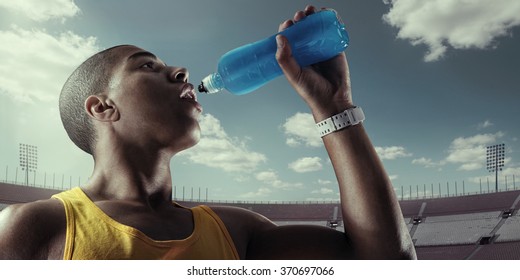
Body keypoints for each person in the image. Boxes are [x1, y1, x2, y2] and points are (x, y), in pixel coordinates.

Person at [0, 5, 416, 260]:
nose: (180, 70)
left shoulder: (236, 231)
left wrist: (335, 107)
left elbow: (385, 261)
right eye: (147, 66)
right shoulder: (37, 226)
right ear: (102, 107)